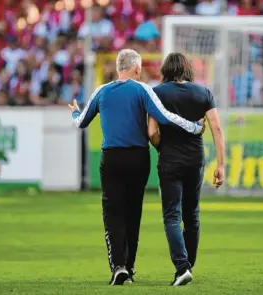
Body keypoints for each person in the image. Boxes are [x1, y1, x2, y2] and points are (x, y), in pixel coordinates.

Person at [67, 49, 205, 285]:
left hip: (111, 158)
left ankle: (118, 267)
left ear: (118, 68)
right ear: (137, 69)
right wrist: (193, 127)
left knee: (113, 214)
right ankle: (129, 269)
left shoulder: (101, 91)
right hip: (138, 158)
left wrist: (75, 112)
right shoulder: (142, 90)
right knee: (133, 213)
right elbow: (166, 116)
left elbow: (81, 123)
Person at [148, 53, 226, 286]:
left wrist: (163, 147)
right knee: (192, 216)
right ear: (187, 70)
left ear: (166, 70)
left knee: (172, 216)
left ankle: (182, 267)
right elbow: (217, 129)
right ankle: (188, 266)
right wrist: (221, 165)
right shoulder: (203, 93)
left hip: (170, 160)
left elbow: (151, 132)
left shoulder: (157, 93)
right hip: (195, 160)